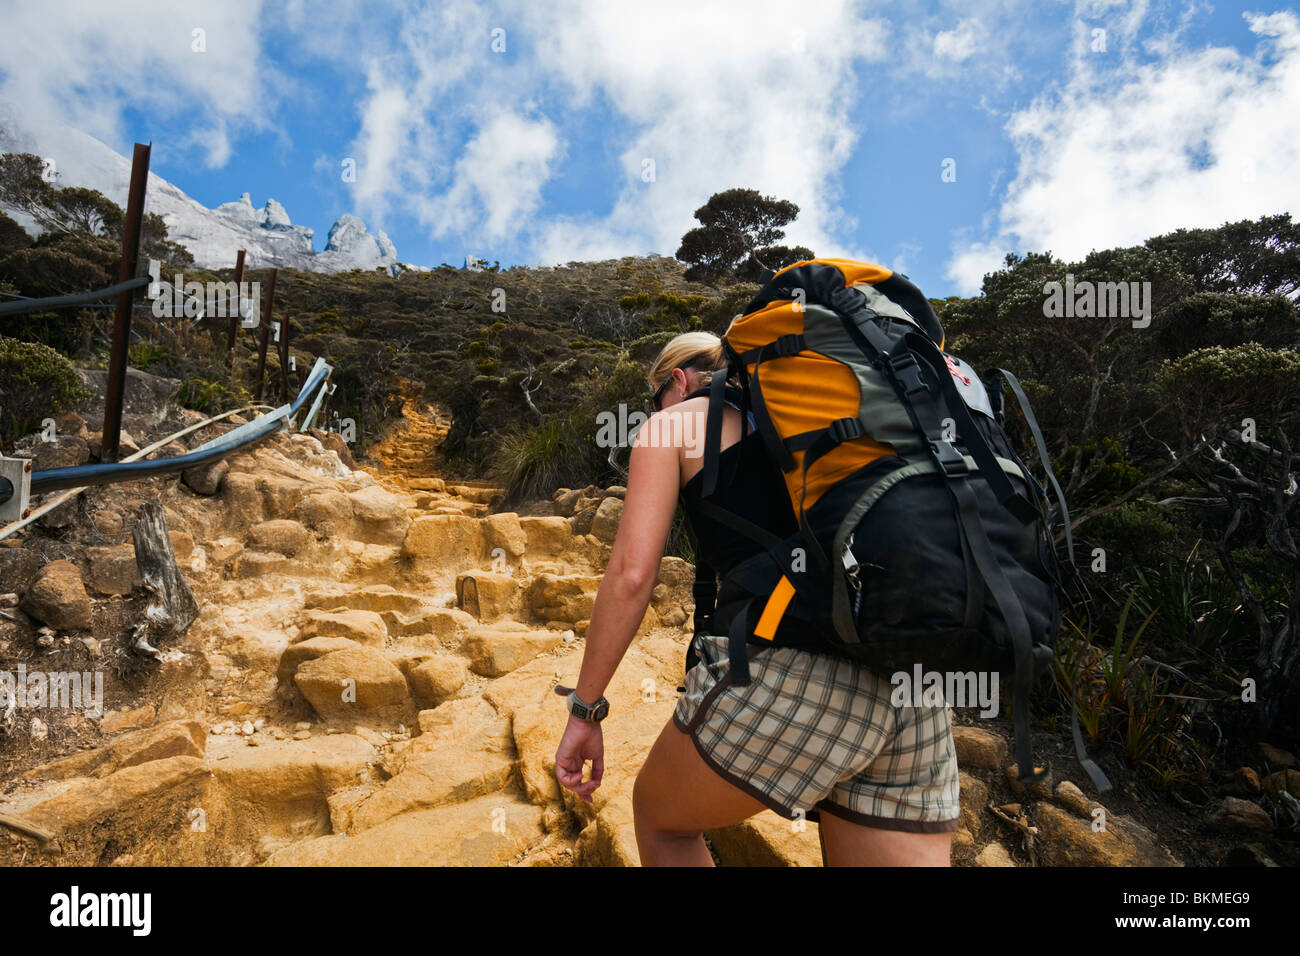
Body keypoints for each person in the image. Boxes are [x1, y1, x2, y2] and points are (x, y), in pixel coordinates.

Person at [553, 329, 960, 866]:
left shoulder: (672, 425)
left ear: (677, 380)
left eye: (657, 397)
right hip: (915, 678)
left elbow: (631, 576)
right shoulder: (823, 411)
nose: (658, 408)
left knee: (660, 820)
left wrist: (585, 711)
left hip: (796, 672)